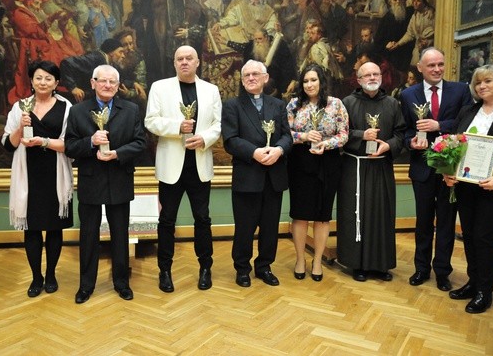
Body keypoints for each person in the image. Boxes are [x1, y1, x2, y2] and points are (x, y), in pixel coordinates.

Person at [65, 64, 146, 303]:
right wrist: (90, 142)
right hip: (91, 181)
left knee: (120, 234)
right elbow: (70, 146)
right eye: (103, 81)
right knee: (88, 235)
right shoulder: (78, 111)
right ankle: (86, 286)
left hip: (120, 179)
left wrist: (118, 153)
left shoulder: (130, 110)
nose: (107, 85)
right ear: (93, 83)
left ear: (117, 85)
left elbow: (141, 143)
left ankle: (122, 283)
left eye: (112, 82)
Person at [144, 45, 222, 292]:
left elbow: (219, 124)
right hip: (171, 166)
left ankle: (205, 268)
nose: (185, 62)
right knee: (166, 220)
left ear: (198, 62)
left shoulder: (211, 90)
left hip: (199, 164)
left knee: (203, 219)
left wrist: (205, 139)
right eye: (180, 59)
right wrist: (177, 126)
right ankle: (164, 271)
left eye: (189, 58)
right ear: (174, 63)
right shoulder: (160, 87)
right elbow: (151, 121)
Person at [400, 48, 473, 291]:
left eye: (440, 64)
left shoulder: (461, 90)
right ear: (419, 67)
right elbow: (405, 131)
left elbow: (467, 123)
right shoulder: (407, 94)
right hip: (421, 167)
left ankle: (442, 271)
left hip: (449, 168)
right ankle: (421, 268)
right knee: (422, 221)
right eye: (431, 65)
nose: (437, 69)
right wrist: (411, 141)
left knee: (446, 222)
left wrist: (439, 124)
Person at [1, 60, 74, 297]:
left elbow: (70, 145)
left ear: (56, 83)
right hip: (28, 175)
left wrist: (43, 142)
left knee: (54, 229)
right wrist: (20, 129)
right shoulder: (19, 107)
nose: (43, 82)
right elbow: (8, 144)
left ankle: (51, 274)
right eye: (39, 78)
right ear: (31, 81)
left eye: (49, 78)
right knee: (32, 230)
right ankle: (36, 277)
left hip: (55, 175)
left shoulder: (66, 107)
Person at [221, 59, 293, 287]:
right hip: (247, 176)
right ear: (242, 81)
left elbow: (287, 136)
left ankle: (264, 267)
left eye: (255, 74)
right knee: (244, 227)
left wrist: (279, 150)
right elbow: (230, 140)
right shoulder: (232, 105)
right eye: (246, 76)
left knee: (270, 227)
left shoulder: (278, 105)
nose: (250, 78)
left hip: (274, 176)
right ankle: (242, 268)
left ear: (265, 77)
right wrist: (255, 152)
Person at [337, 61, 406, 282]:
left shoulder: (393, 104)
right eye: (367, 75)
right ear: (358, 80)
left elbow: (401, 134)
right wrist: (360, 135)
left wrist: (389, 146)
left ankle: (381, 264)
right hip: (354, 167)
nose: (372, 78)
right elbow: (339, 132)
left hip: (381, 167)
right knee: (355, 213)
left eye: (376, 74)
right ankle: (357, 264)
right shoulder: (346, 103)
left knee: (381, 214)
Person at [443, 64, 493, 314]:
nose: (482, 86)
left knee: (484, 238)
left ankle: (484, 292)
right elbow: (454, 145)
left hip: (492, 189)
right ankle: (473, 281)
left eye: (487, 81)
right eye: (478, 83)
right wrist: (449, 171)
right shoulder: (468, 111)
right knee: (468, 235)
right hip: (466, 186)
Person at [287, 64, 348, 281]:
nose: (309, 84)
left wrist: (326, 143)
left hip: (328, 162)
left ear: (321, 81)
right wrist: (303, 137)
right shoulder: (294, 105)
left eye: (313, 80)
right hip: (300, 163)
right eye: (305, 81)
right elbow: (286, 135)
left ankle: (318, 261)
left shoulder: (336, 104)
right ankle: (301, 259)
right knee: (301, 215)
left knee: (322, 216)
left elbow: (344, 135)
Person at [227, 28, 297, 99]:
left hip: (274, 84)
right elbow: (241, 48)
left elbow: (288, 65)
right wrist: (227, 42)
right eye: (256, 39)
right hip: (255, 86)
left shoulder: (279, 46)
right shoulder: (251, 47)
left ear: (266, 37)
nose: (257, 42)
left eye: (260, 39)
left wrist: (293, 80)